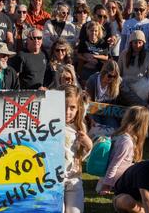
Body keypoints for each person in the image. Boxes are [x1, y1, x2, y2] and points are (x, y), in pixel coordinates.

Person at [97, 106, 149, 195]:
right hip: (117, 180)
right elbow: (114, 164)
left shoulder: (124, 137)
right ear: (142, 125)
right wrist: (106, 186)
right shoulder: (126, 142)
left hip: (115, 177)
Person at [63, 85, 93, 213]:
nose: (67, 111)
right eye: (63, 106)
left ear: (78, 108)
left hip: (73, 178)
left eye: (72, 107)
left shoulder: (80, 127)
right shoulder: (48, 124)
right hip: (53, 181)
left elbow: (81, 155)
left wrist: (88, 144)